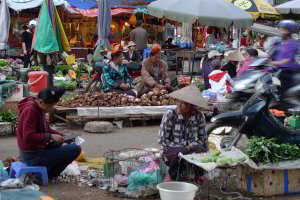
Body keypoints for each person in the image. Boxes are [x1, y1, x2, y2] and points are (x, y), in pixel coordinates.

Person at [17, 87, 81, 179]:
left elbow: (45, 129)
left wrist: (58, 134)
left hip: (37, 150)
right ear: (41, 102)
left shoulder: (39, 108)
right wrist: (50, 136)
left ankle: (47, 171)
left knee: (59, 142)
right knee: (75, 149)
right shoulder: (30, 111)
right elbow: (28, 137)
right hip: (32, 156)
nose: (51, 109)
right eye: (50, 106)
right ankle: (50, 174)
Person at [158, 84, 209, 181]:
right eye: (178, 102)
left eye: (184, 103)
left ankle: (199, 175)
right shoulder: (170, 115)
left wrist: (203, 151)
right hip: (170, 150)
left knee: (201, 150)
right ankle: (170, 176)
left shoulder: (199, 116)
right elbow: (162, 141)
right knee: (182, 152)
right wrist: (184, 147)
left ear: (191, 106)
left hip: (190, 148)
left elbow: (203, 139)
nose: (179, 105)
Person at [270, 20, 300, 97]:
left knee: (280, 93)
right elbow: (271, 54)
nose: (280, 31)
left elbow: (287, 60)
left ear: (289, 31)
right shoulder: (279, 42)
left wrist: (273, 63)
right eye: (280, 29)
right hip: (277, 70)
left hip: (288, 72)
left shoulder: (292, 43)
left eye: (283, 29)